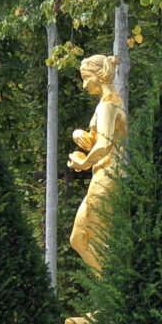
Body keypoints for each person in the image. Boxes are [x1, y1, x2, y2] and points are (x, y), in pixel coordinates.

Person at [67, 54, 126, 277]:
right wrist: (80, 135)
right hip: (103, 172)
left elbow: (105, 144)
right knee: (78, 238)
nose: (84, 85)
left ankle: (114, 290)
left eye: (86, 78)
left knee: (99, 237)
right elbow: (101, 139)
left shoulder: (108, 105)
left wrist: (83, 163)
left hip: (108, 175)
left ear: (99, 75)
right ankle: (107, 289)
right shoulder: (106, 104)